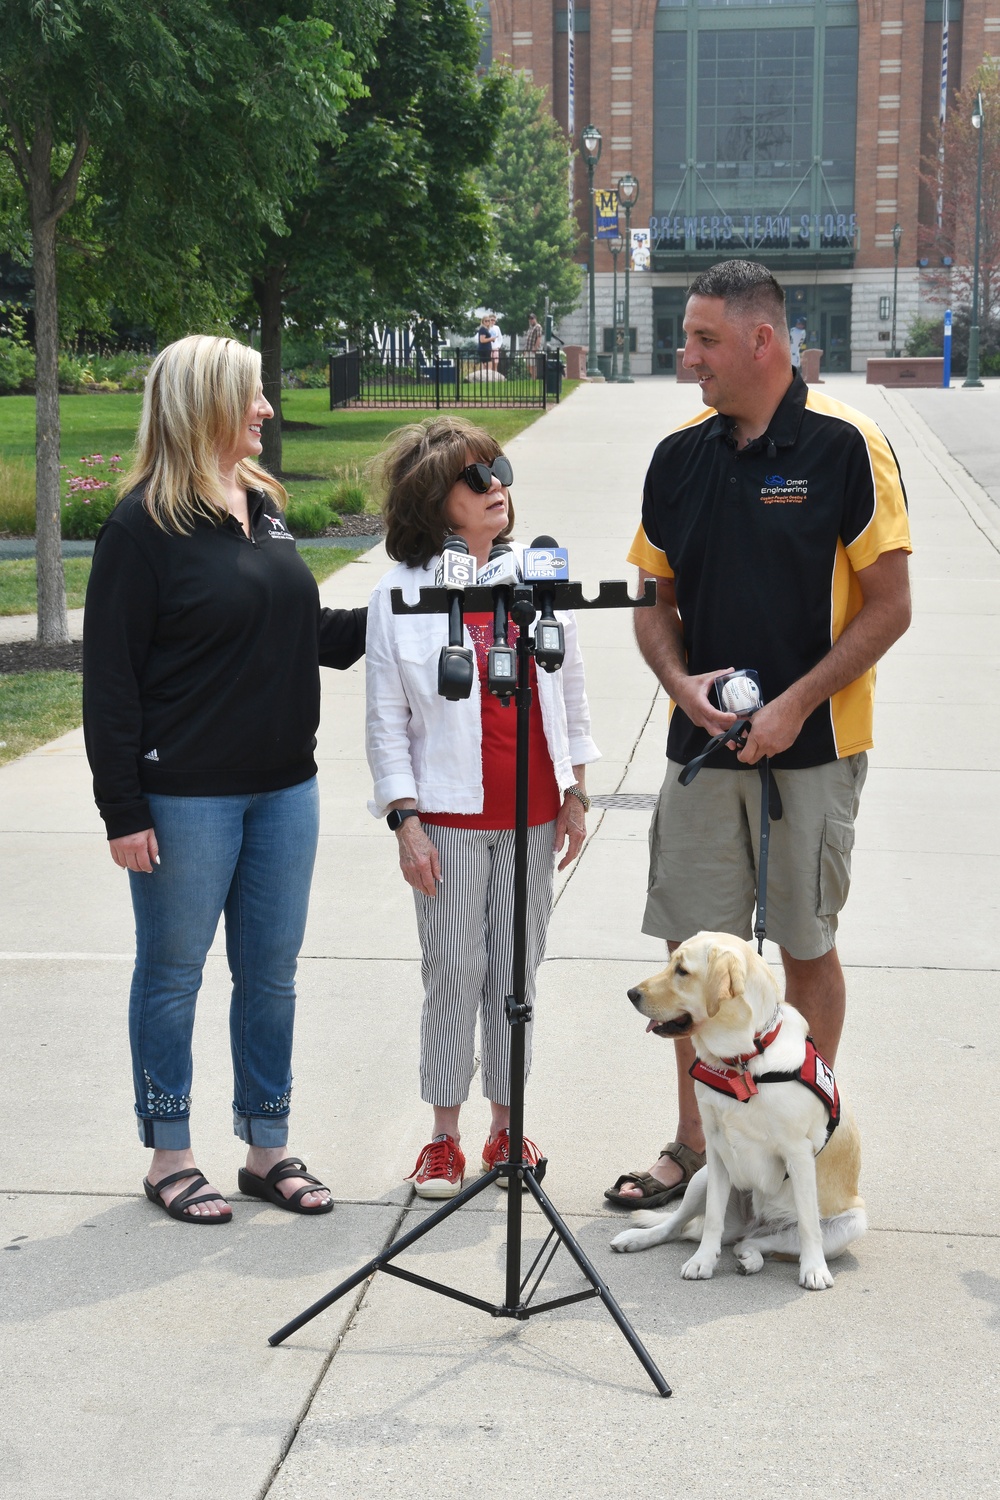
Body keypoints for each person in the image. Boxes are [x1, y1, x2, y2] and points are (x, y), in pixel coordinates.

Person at [605, 259, 911, 1210]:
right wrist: (679, 685)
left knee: (805, 945)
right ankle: (699, 1149)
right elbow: (655, 604)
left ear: (761, 341)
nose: (685, 356)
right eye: (686, 337)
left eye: (702, 340)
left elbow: (890, 608)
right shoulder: (678, 455)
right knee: (695, 951)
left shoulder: (847, 445)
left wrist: (793, 707)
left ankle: (797, 1139)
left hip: (812, 751)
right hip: (701, 754)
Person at [83, 335, 366, 1224]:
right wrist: (121, 809)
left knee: (272, 975)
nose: (268, 411)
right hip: (184, 796)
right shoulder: (141, 528)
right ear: (205, 403)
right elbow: (110, 681)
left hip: (286, 788)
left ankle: (266, 1148)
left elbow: (305, 630)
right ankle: (171, 1153)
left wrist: (405, 608)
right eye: (252, 396)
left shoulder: (265, 506)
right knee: (173, 975)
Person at [366, 415, 600, 1198]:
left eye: (499, 469)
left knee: (515, 975)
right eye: (477, 477)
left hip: (531, 813)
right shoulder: (399, 596)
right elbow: (385, 723)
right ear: (437, 499)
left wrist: (574, 792)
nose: (498, 485)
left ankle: (507, 1128)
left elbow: (569, 691)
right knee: (453, 973)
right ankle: (443, 1138)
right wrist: (406, 821)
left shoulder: (534, 581)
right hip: (450, 822)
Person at [524, 312, 544, 379]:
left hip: (533, 349)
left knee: (533, 365)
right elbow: (527, 339)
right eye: (530, 319)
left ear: (535, 319)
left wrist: (535, 347)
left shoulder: (538, 327)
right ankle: (533, 377)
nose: (531, 320)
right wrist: (525, 349)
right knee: (528, 365)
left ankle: (534, 378)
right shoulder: (530, 328)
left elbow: (539, 338)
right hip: (528, 348)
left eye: (532, 318)